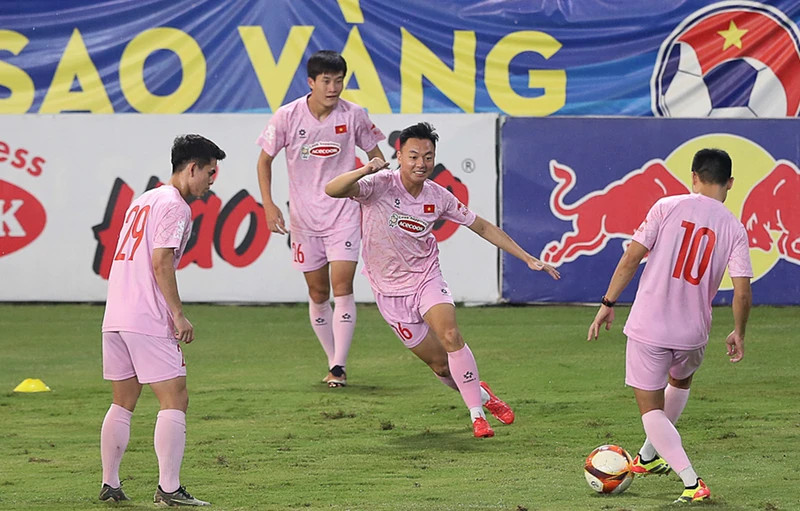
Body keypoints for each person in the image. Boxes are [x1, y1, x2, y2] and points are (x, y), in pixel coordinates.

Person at [325, 122, 561, 438]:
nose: (421, 164)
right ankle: (485, 397)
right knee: (440, 366)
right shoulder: (378, 185)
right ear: (399, 155)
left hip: (426, 279)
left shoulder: (439, 197)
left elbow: (483, 227)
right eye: (413, 156)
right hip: (390, 293)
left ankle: (477, 416)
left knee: (450, 334)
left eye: (428, 156)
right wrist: (366, 167)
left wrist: (527, 257)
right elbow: (333, 189)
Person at [587, 148, 753, 503]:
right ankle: (647, 456)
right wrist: (739, 331)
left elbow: (632, 257)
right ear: (730, 183)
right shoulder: (735, 227)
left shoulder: (667, 206)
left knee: (650, 410)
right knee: (679, 381)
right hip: (695, 331)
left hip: (651, 326)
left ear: (693, 176)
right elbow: (742, 292)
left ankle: (692, 482)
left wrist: (607, 303)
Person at [99, 134, 226, 506]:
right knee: (175, 398)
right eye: (209, 172)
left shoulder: (144, 200)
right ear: (191, 169)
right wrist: (178, 314)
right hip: (147, 315)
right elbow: (161, 261)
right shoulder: (175, 206)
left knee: (122, 400)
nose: (211, 181)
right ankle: (169, 489)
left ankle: (111, 484)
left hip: (116, 314)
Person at [256, 50, 386, 388]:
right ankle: (332, 359)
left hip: (343, 214)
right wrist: (269, 205)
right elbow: (264, 161)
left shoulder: (355, 115)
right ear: (311, 82)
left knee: (343, 286)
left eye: (339, 80)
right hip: (303, 219)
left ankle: (339, 367)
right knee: (317, 291)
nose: (333, 87)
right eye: (326, 80)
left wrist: (372, 175)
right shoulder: (287, 117)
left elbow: (377, 155)